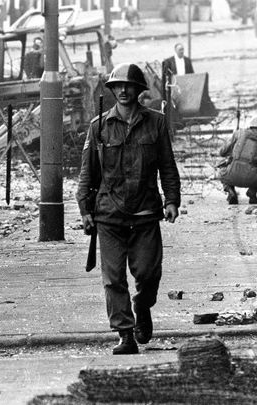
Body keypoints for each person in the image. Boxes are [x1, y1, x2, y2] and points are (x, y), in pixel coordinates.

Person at [76, 63, 181, 355]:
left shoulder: (156, 123)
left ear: (138, 90)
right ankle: (124, 333)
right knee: (113, 278)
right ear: (111, 90)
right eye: (117, 86)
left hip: (146, 212)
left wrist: (171, 200)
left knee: (148, 274)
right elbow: (87, 172)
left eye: (129, 86)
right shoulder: (99, 126)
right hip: (108, 214)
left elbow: (167, 166)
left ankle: (143, 306)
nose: (123, 90)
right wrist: (85, 210)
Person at [218, 115, 257, 204]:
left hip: (231, 175)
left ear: (251, 125)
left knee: (221, 170)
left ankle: (230, 190)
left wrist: (234, 150)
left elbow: (222, 152)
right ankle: (252, 192)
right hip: (253, 179)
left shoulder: (239, 133)